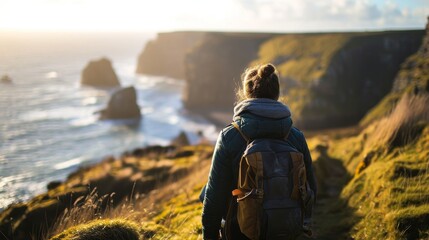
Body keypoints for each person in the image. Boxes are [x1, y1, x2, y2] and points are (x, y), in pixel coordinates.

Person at [201, 63, 317, 240]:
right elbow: (311, 189)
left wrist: (209, 236)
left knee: (206, 190)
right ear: (277, 95)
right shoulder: (295, 137)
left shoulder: (230, 136)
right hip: (288, 230)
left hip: (240, 232)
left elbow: (214, 198)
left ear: (247, 94)